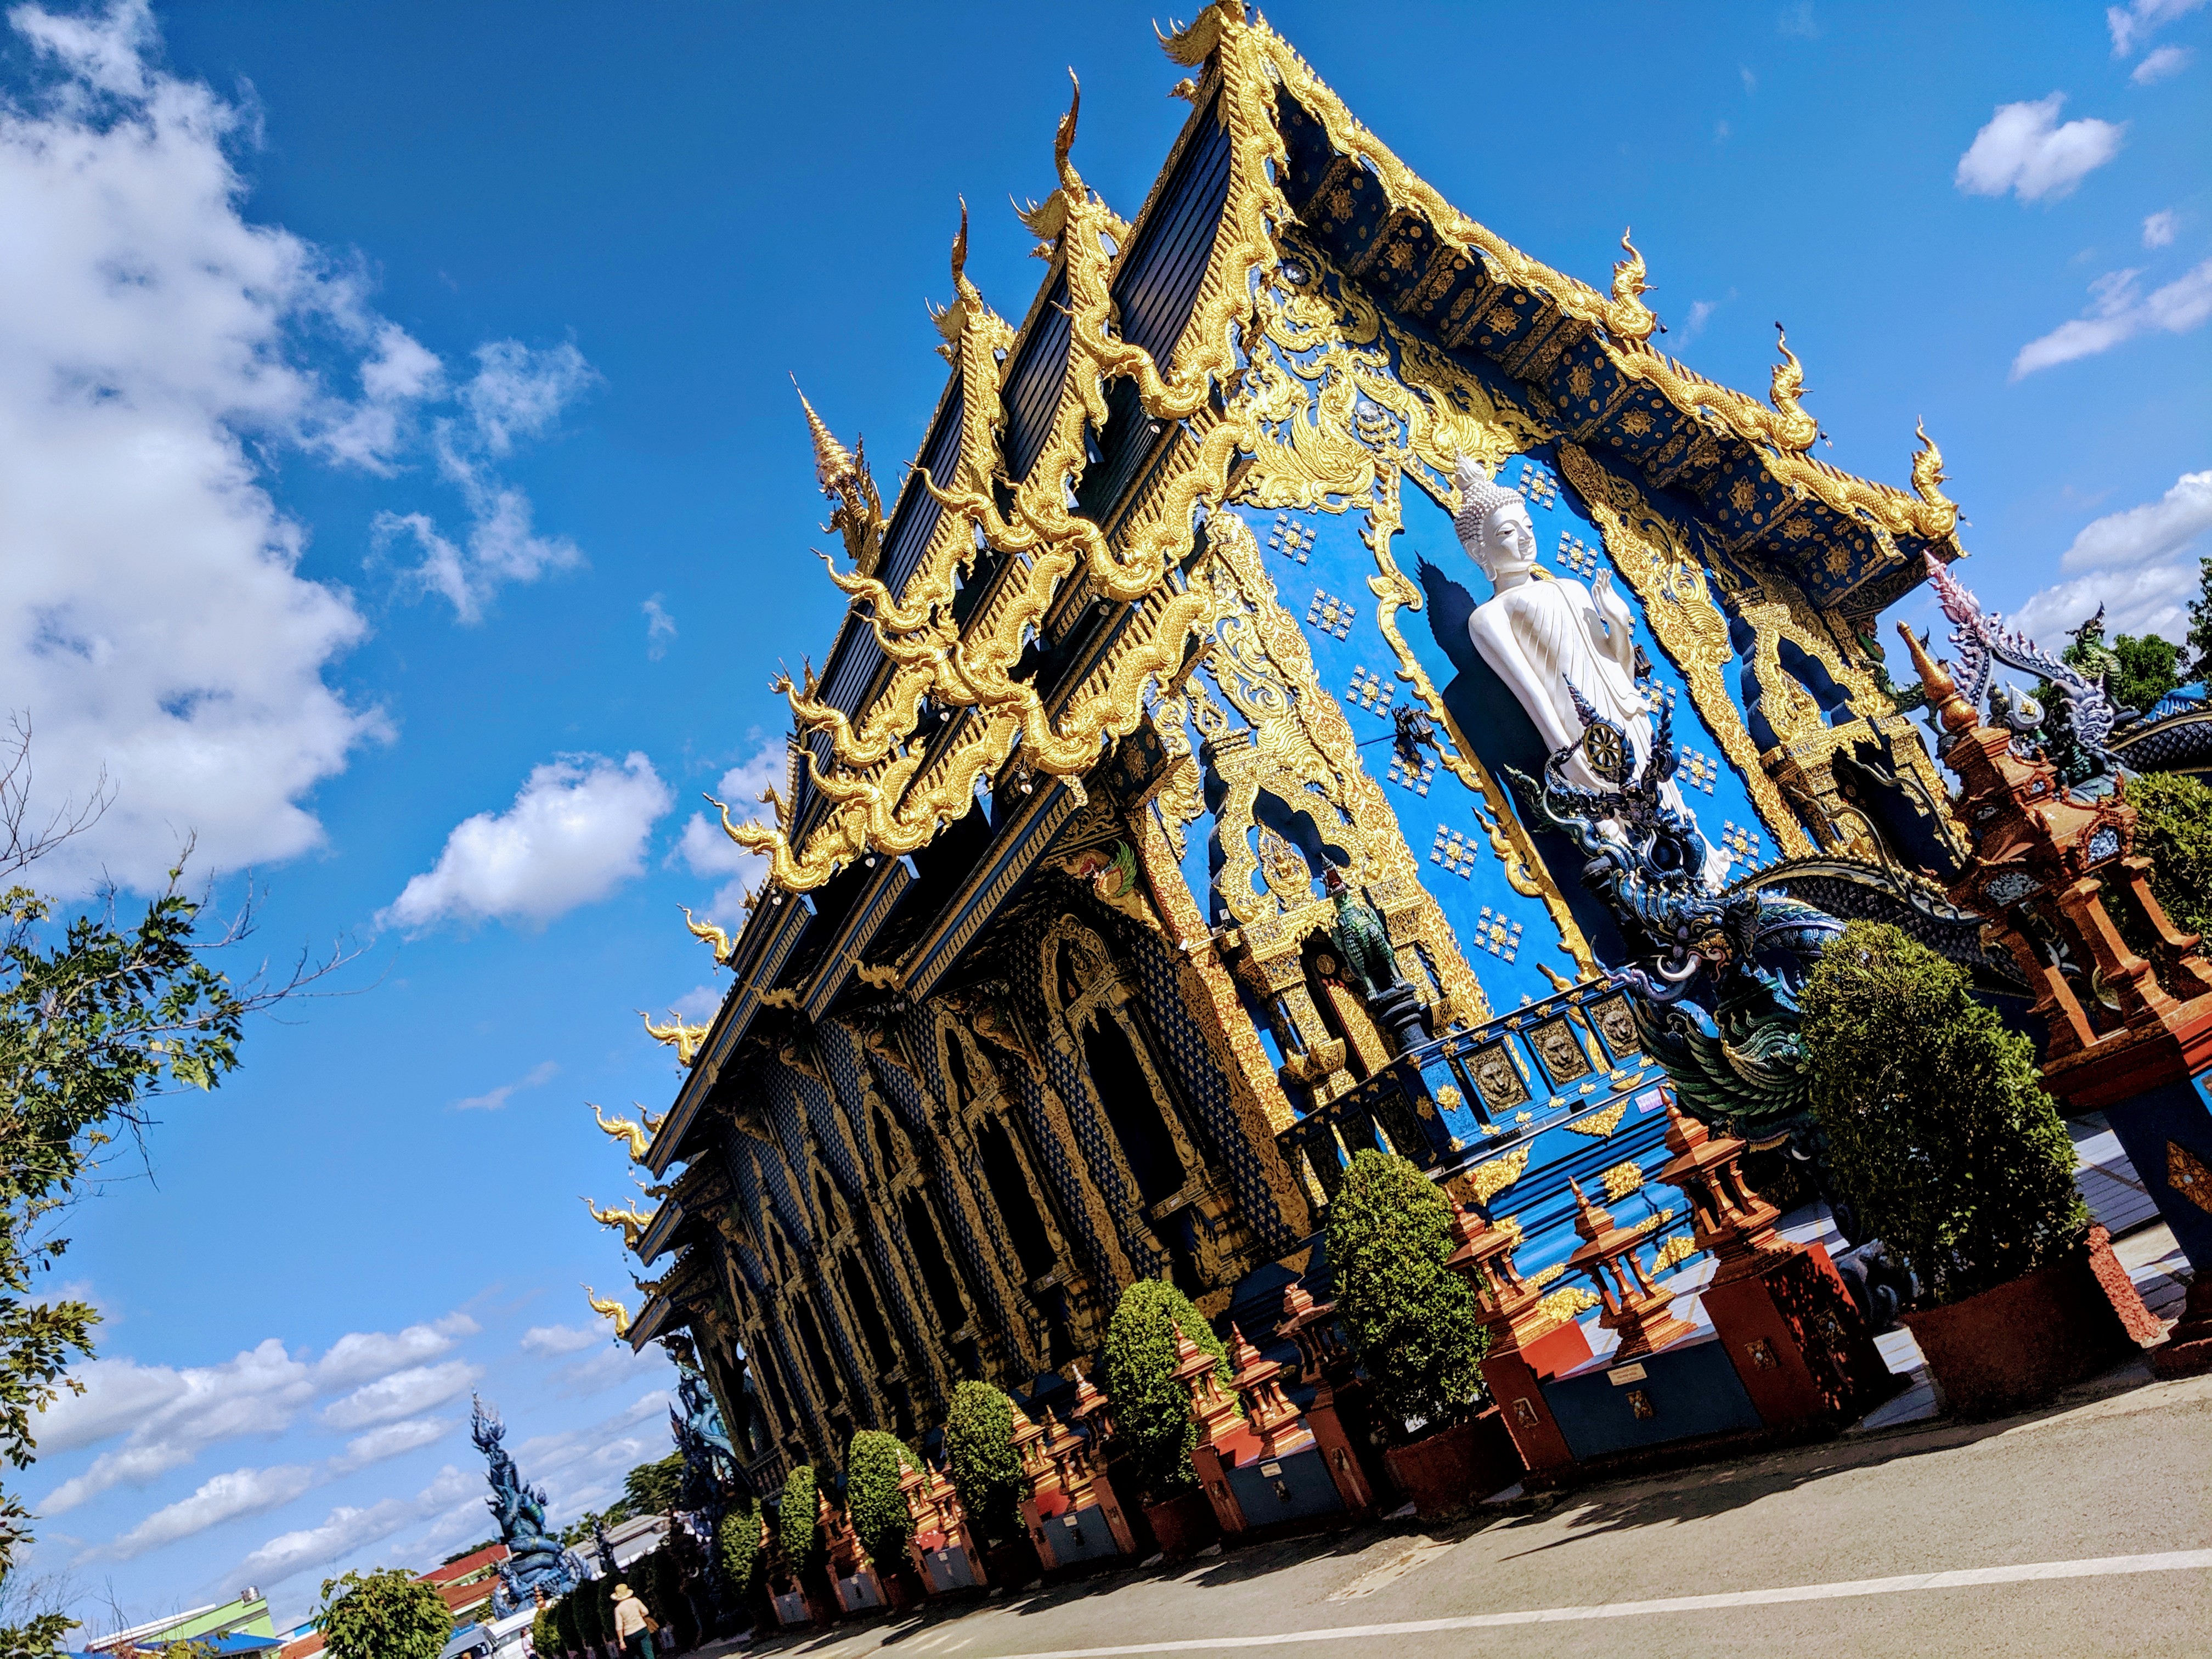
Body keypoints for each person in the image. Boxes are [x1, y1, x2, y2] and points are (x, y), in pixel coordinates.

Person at [610, 1581, 656, 1659]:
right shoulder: (635, 1600)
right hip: (642, 1628)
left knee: (635, 1654)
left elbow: (619, 1626)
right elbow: (646, 1612)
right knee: (648, 1651)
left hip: (630, 1634)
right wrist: (639, 1616)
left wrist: (621, 1641)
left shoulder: (618, 1609)